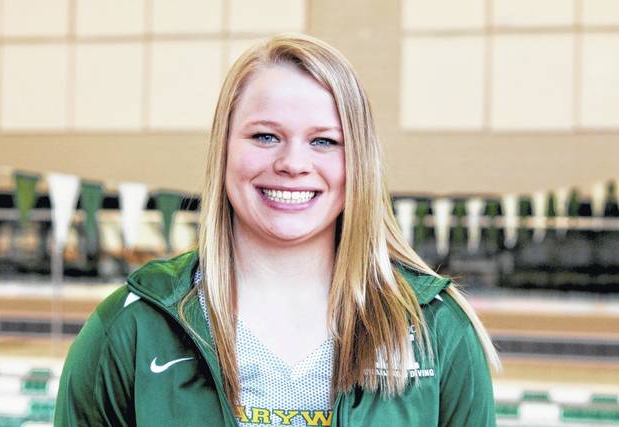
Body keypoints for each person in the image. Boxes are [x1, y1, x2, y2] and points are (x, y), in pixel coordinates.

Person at [55, 32, 500, 426]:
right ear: (223, 149)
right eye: (265, 136)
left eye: (324, 141)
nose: (292, 163)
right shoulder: (133, 327)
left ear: (359, 162)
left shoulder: (436, 329)